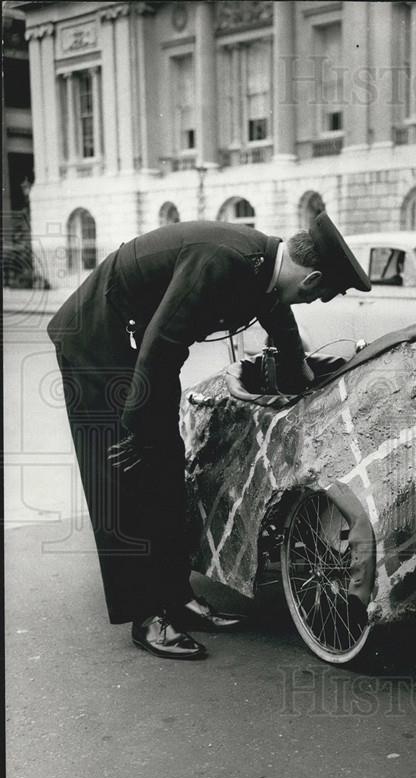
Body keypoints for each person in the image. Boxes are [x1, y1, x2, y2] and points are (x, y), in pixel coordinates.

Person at [47, 212, 370, 660]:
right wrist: (135, 428)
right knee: (127, 472)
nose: (308, 303)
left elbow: (283, 329)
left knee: (165, 465)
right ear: (313, 279)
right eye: (316, 297)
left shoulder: (264, 268)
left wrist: (304, 379)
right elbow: (161, 344)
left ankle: (177, 596)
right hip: (98, 338)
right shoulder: (226, 260)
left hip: (139, 348)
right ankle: (146, 616)